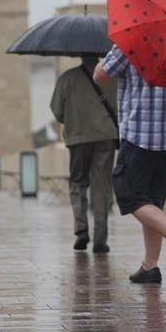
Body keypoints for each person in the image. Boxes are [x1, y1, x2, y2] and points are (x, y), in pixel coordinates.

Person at [94, 45, 166, 283]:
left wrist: (103, 60)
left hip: (140, 135)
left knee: (130, 194)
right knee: (152, 200)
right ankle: (150, 265)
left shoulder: (131, 42)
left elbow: (100, 76)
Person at [50, 56, 118, 253]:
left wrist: (73, 117)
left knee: (78, 182)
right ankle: (100, 239)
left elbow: (57, 112)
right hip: (105, 136)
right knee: (101, 186)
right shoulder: (111, 78)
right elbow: (120, 107)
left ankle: (81, 230)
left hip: (78, 137)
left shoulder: (67, 78)